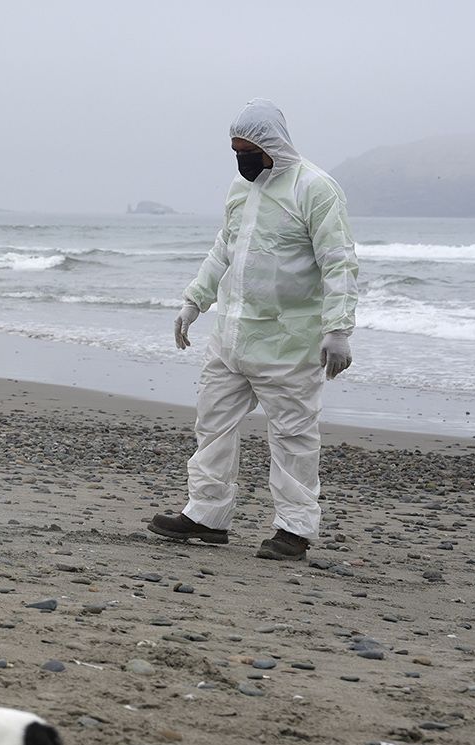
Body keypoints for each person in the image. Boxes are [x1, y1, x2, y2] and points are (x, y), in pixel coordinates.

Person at [148, 98, 360, 562]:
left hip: (288, 341)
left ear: (271, 146)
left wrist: (339, 328)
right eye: (235, 150)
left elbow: (338, 261)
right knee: (213, 424)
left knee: (292, 436)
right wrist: (193, 301)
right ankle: (205, 515)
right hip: (232, 336)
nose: (242, 159)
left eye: (248, 150)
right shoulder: (240, 190)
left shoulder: (315, 190)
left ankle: (294, 529)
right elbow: (224, 250)